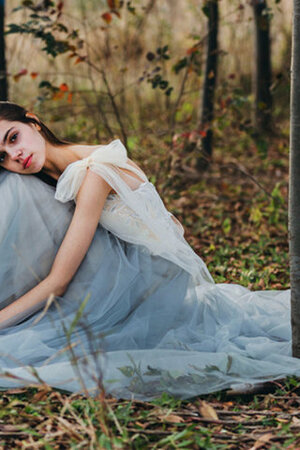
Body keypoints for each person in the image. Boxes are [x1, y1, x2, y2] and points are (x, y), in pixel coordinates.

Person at [0, 101, 299, 400]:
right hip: (137, 271)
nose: (16, 155)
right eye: (3, 156)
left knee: (14, 189)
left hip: (153, 281)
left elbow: (59, 280)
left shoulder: (95, 171)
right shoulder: (61, 171)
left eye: (13, 138)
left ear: (34, 122)